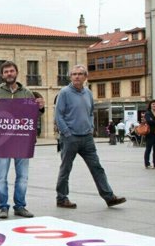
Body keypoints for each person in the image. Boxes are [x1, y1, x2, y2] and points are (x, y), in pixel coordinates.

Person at [54, 65, 126, 209]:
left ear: (85, 77)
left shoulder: (88, 93)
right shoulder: (64, 92)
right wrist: (67, 133)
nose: (77, 76)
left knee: (97, 167)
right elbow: (58, 115)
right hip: (70, 137)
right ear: (70, 77)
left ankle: (109, 196)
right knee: (65, 169)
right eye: (74, 74)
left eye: (80, 74)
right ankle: (62, 198)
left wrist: (91, 127)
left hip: (87, 138)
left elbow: (91, 112)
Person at [0, 60, 45, 219]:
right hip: (2, 141)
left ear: (16, 73)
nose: (9, 74)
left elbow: (34, 116)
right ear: (2, 75)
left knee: (22, 176)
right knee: (1, 176)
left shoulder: (27, 93)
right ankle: (3, 207)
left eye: (11, 71)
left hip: (22, 141)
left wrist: (40, 107)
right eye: (6, 72)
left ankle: (20, 206)